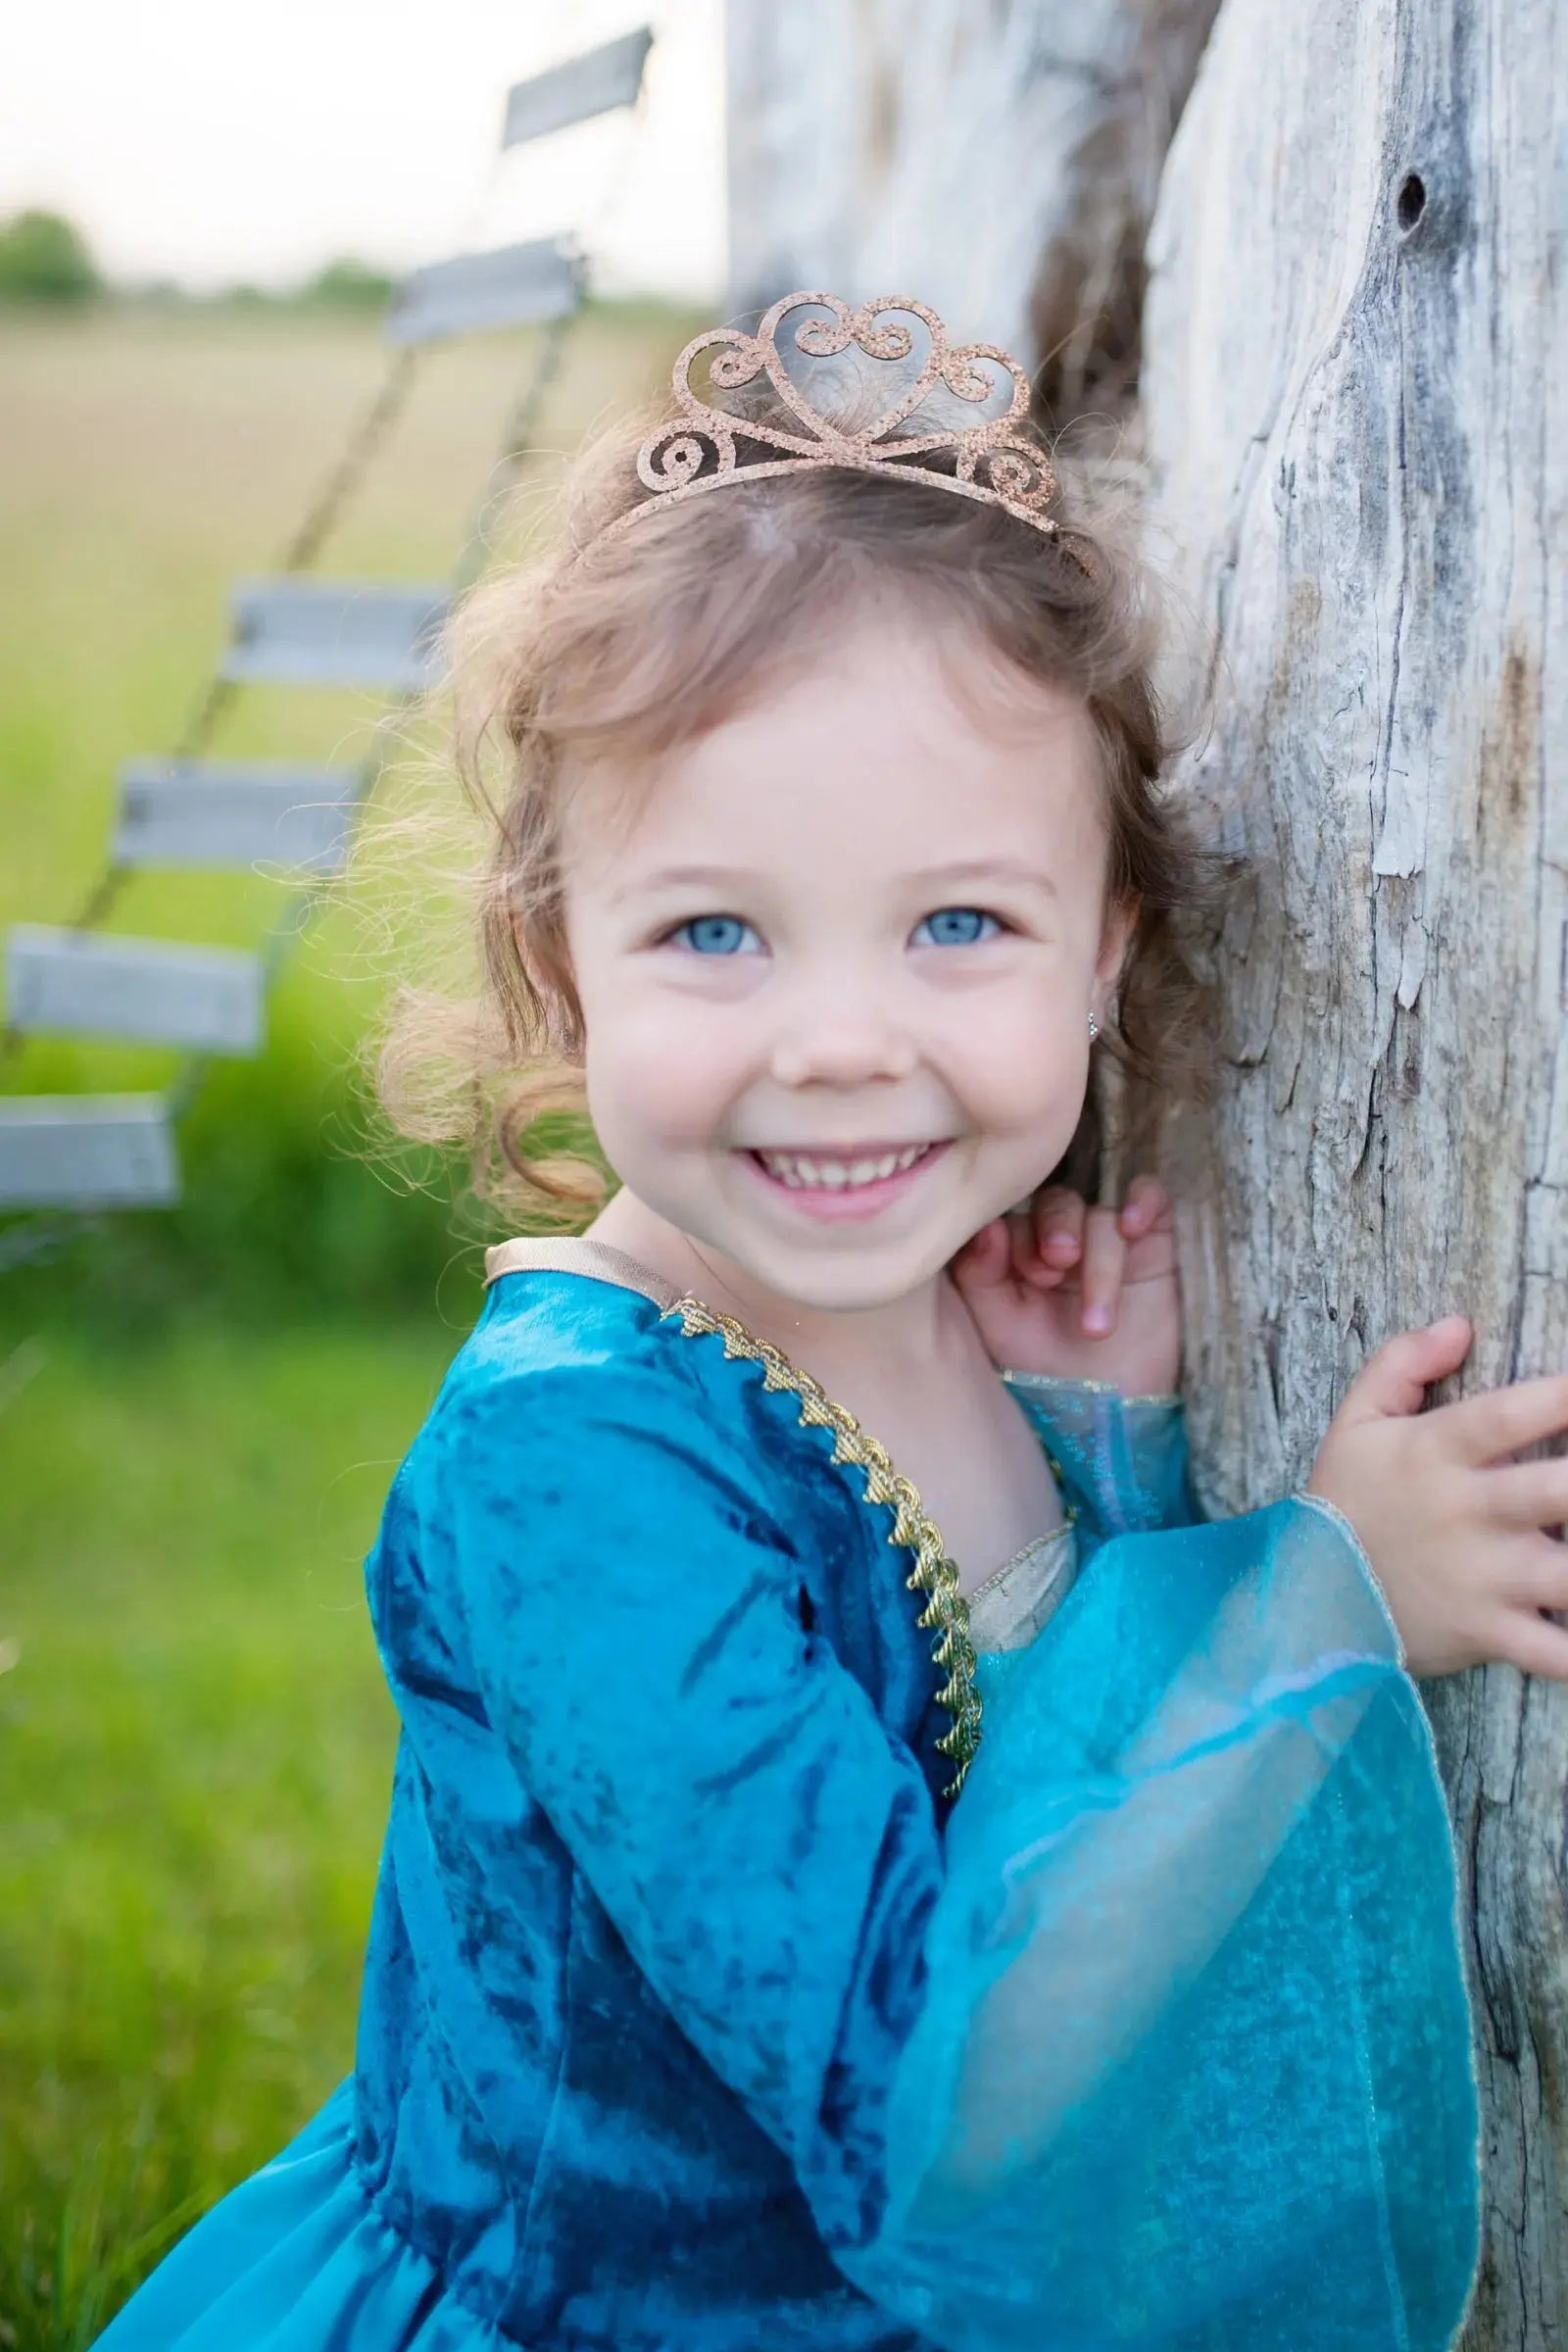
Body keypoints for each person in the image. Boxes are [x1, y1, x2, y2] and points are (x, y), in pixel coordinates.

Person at [97, 291, 1568, 2352]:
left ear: (1098, 951)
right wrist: (1310, 1606)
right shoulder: (568, 1469)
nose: (843, 1045)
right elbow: (933, 2089)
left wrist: (1089, 1465)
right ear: (562, 961)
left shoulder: (931, 1322)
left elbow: (1000, 1735)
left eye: (957, 923)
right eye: (713, 931)